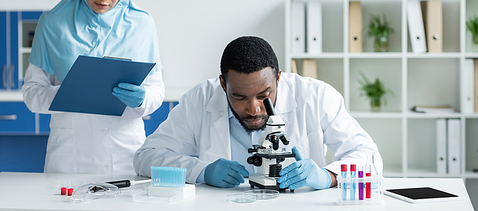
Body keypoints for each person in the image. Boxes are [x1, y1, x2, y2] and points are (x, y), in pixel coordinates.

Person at [134, 36, 382, 190]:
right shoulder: (199, 99)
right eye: (239, 97)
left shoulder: (316, 96)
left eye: (264, 96)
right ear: (223, 84)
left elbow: (370, 157)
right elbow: (146, 157)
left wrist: (328, 176)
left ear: (278, 78)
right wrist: (201, 171)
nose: (253, 108)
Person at [22, 0, 164, 176]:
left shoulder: (142, 24)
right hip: (70, 157)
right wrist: (67, 95)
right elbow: (31, 93)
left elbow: (156, 90)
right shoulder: (52, 24)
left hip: (125, 154)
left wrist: (141, 98)